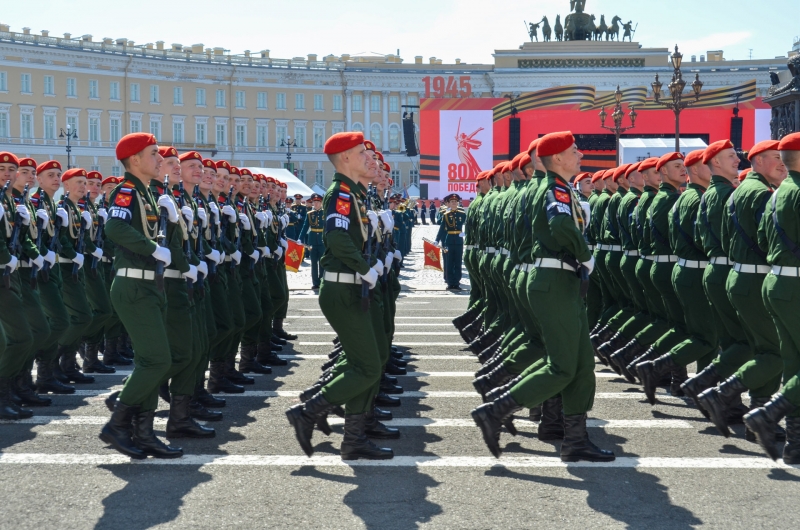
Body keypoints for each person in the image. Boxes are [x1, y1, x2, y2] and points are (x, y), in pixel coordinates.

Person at [472, 131, 614, 462]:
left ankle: (576, 439)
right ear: (558, 159)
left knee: (581, 366)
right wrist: (584, 254)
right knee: (562, 366)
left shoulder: (562, 189)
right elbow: (562, 227)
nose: (580, 155)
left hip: (563, 281)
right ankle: (496, 410)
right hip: (553, 281)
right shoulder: (554, 190)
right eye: (574, 151)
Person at [286, 131, 394, 461]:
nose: (369, 158)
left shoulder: (355, 195)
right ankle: (309, 412)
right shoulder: (341, 195)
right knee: (367, 366)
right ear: (345, 158)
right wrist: (365, 267)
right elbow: (336, 239)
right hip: (342, 286)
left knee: (368, 362)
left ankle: (354, 437)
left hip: (354, 285)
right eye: (362, 153)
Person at [99, 132, 185, 459]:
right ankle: (118, 424)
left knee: (151, 360)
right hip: (134, 284)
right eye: (153, 154)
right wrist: (152, 248)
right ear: (134, 160)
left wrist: (172, 222)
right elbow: (115, 229)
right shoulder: (125, 191)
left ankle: (144, 432)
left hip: (150, 285)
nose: (160, 159)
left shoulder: (148, 194)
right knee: (158, 360)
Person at [745, 131, 800, 463]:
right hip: (795, 285)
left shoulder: (778, 193)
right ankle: (768, 414)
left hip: (778, 282)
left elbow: (765, 240)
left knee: (794, 365)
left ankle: (795, 443)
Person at [435, 193, 466, 289]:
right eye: (452, 202)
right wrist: (437, 240)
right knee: (449, 262)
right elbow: (441, 228)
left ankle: (456, 282)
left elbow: (469, 225)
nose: (453, 203)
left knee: (457, 262)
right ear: (449, 203)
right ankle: (449, 282)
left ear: (458, 203)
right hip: (448, 240)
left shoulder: (462, 214)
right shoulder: (446, 215)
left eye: (455, 202)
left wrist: (464, 234)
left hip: (459, 241)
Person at [298, 193, 325, 289]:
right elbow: (305, 228)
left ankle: (322, 281)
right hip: (312, 240)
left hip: (322, 241)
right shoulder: (310, 214)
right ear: (312, 203)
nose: (316, 204)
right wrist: (300, 239)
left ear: (321, 203)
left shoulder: (324, 213)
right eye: (315, 202)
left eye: (318, 202)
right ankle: (315, 283)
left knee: (322, 262)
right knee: (313, 262)